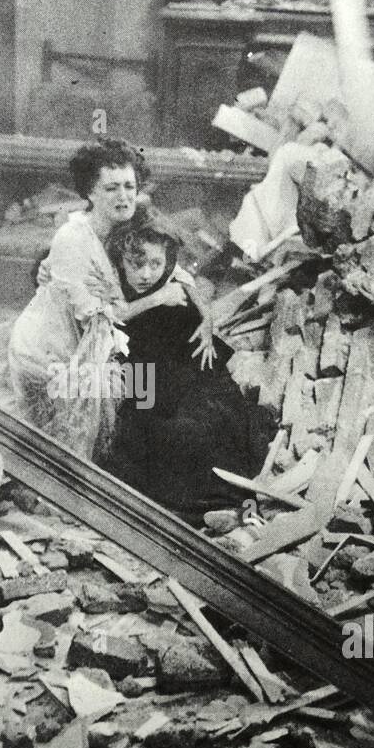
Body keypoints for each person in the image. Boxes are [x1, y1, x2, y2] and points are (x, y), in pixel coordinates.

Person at [6, 137, 189, 457]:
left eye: (129, 186)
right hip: (50, 355)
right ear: (90, 193)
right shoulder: (74, 238)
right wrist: (160, 299)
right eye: (111, 188)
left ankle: (147, 443)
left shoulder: (126, 222)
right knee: (124, 391)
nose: (124, 196)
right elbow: (100, 320)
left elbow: (171, 261)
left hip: (88, 342)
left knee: (156, 369)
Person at [101, 211, 272, 520]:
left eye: (155, 265)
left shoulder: (177, 293)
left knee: (201, 431)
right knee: (145, 433)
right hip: (146, 378)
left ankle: (211, 505)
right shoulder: (116, 286)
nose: (146, 275)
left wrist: (203, 317)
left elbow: (204, 369)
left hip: (185, 382)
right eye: (136, 265)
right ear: (121, 262)